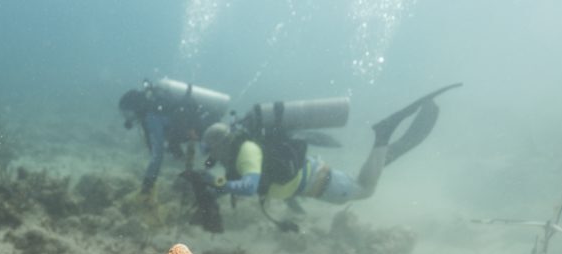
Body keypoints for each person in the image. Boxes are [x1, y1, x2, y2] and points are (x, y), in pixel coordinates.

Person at [198, 84, 462, 220]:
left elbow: (249, 185)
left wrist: (217, 182)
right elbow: (272, 178)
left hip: (323, 185)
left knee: (366, 190)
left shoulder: (246, 151)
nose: (214, 158)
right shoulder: (243, 149)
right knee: (364, 181)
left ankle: (383, 137)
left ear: (220, 143)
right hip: (316, 180)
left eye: (211, 151)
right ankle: (382, 154)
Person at [119, 79, 229, 197]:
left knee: (226, 154)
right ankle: (225, 185)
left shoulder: (151, 117)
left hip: (199, 126)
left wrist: (147, 185)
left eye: (128, 114)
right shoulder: (153, 107)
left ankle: (226, 186)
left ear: (135, 107)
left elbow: (157, 155)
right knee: (224, 151)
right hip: (199, 123)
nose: (128, 119)